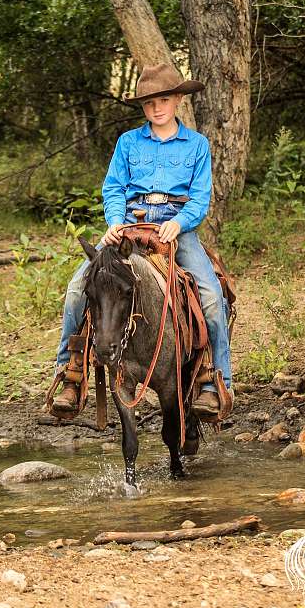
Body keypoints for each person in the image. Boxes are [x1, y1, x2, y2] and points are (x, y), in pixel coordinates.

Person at [51, 62, 232, 417]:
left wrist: (179, 223)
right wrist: (115, 222)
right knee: (77, 288)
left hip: (176, 230)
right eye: (149, 103)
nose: (156, 108)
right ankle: (70, 371)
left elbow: (199, 198)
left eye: (163, 99)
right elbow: (114, 188)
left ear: (178, 99)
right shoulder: (128, 143)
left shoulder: (197, 146)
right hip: (130, 228)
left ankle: (214, 381)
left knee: (211, 298)